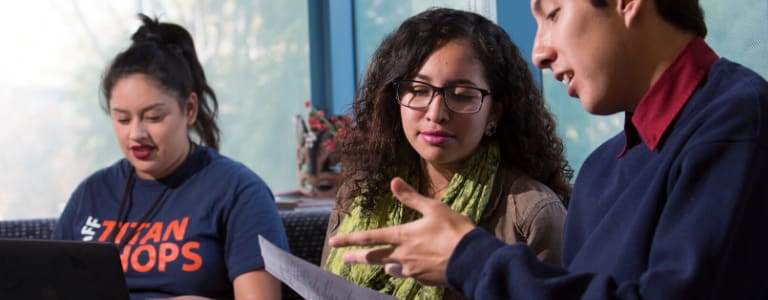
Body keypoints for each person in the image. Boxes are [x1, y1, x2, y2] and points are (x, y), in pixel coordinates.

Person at [329, 0, 768, 299]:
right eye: (418, 91)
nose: (538, 51)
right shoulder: (599, 171)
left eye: (553, 13)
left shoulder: (735, 125)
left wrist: (471, 260)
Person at [322, 8, 573, 300]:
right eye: (418, 89)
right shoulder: (359, 194)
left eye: (462, 95)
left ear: (495, 111)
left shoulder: (533, 213)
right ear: (396, 100)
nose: (436, 113)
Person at [52, 14, 289, 300]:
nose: (136, 134)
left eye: (153, 117)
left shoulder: (238, 191)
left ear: (189, 109)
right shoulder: (92, 194)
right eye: (123, 120)